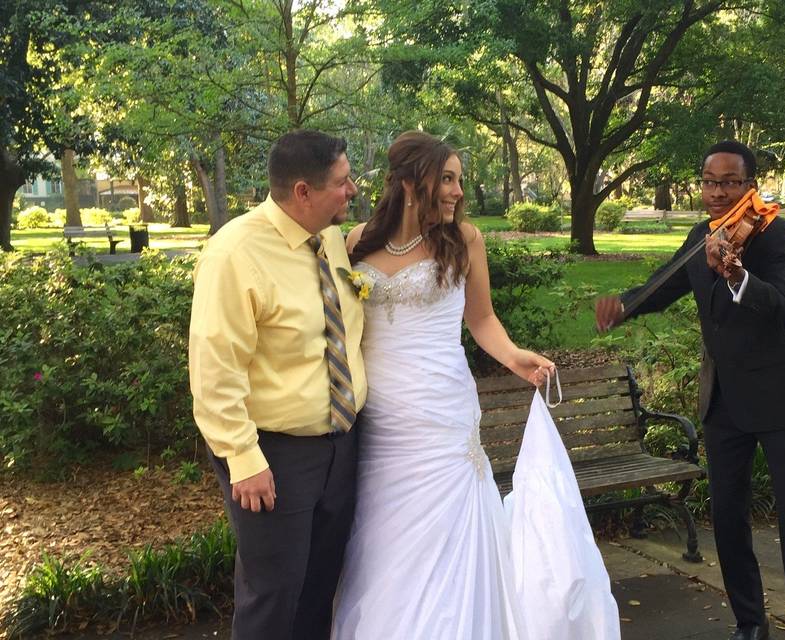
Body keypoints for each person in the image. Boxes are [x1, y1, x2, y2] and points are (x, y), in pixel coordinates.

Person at [595, 140, 785, 640]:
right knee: (727, 518)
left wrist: (738, 276)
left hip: (777, 396)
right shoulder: (701, 235)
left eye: (729, 182)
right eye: (709, 181)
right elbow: (667, 286)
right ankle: (750, 624)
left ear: (750, 185)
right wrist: (626, 306)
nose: (718, 192)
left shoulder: (774, 235)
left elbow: (784, 309)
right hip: (723, 400)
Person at [331, 131, 555, 638]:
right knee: (385, 533)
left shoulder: (464, 240)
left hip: (442, 411)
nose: (457, 191)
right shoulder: (357, 241)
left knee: (448, 530)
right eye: (447, 179)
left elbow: (482, 320)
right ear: (412, 183)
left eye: (458, 180)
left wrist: (516, 358)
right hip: (382, 417)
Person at [189, 129, 366, 639]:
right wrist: (243, 459)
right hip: (275, 456)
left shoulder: (329, 238)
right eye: (341, 181)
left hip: (341, 445)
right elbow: (215, 368)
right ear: (303, 192)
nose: (352, 189)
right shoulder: (235, 254)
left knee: (318, 590)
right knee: (273, 595)